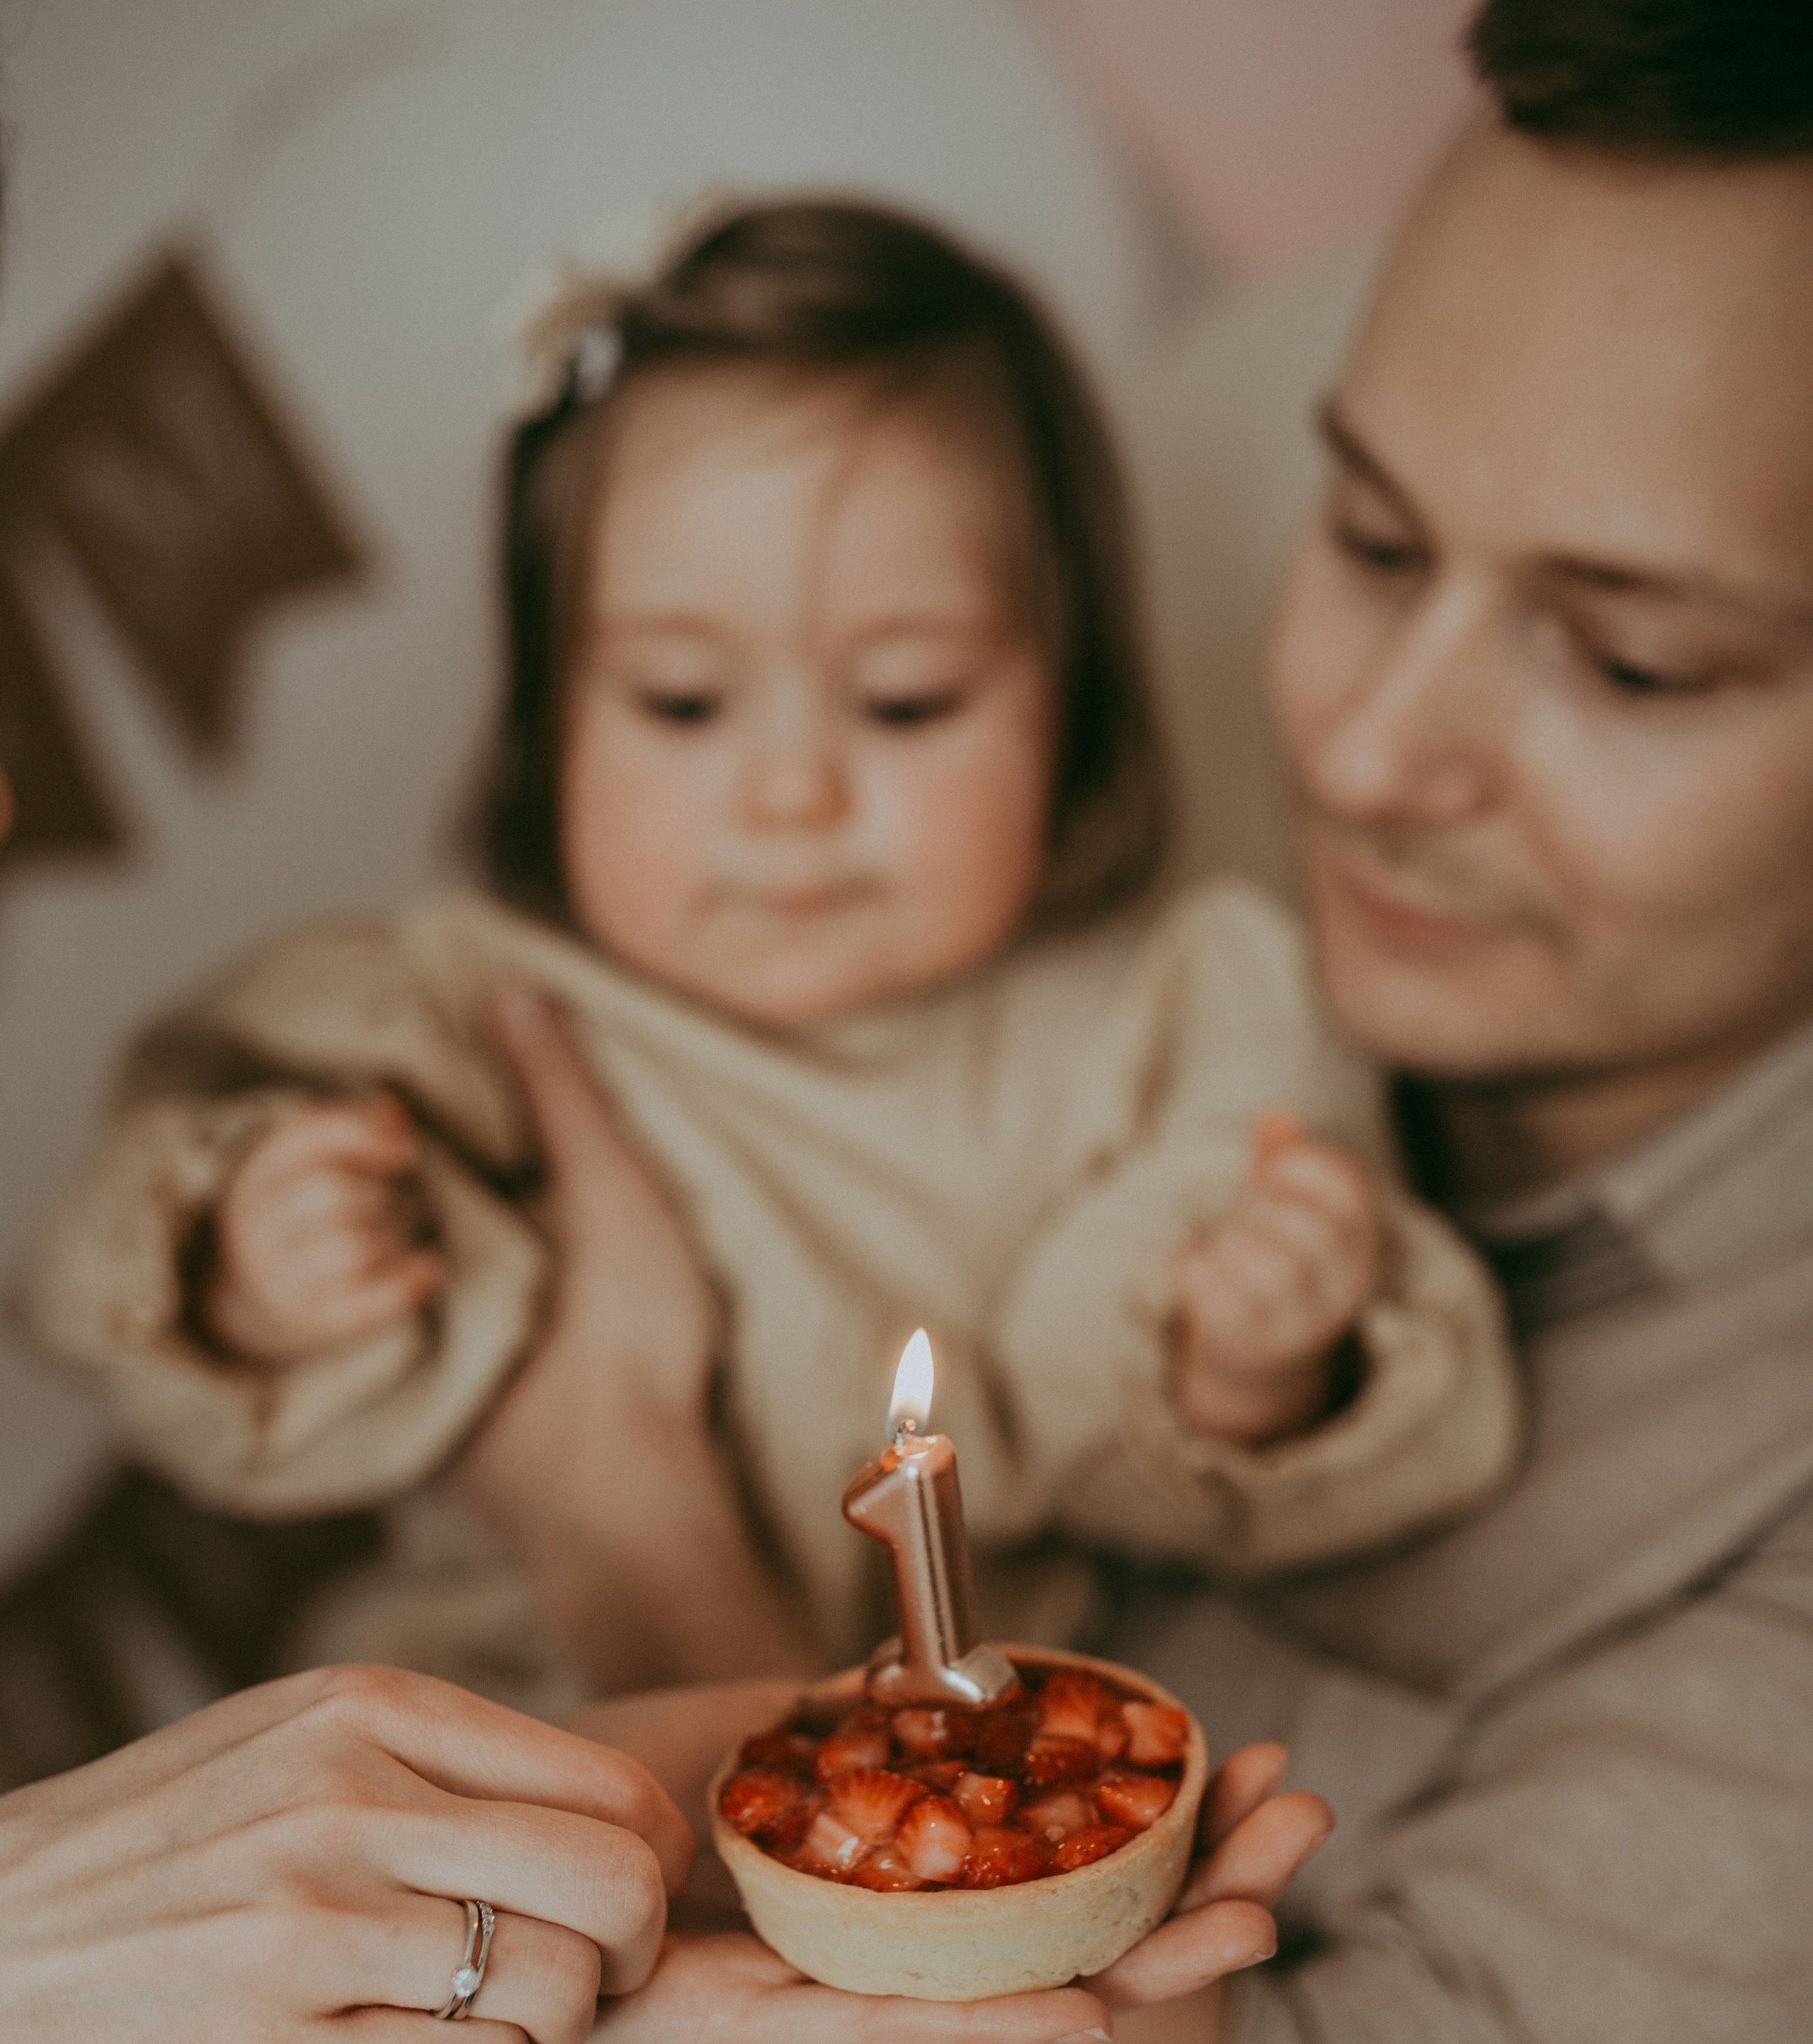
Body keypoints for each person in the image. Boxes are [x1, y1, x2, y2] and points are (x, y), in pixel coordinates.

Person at [414, 5, 1813, 2044]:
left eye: (1634, 667)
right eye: (1374, 538)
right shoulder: (1178, 1013)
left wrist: (620, 1518)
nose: (1371, 753)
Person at [16, 195, 1516, 1727]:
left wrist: (1242, 1367)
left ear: (1067, 718)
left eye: (905, 701)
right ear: (552, 718)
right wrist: (255, 1271)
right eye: (679, 703)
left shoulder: (1168, 1012)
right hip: (491, 1731)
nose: (788, 794)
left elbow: (1156, 1453)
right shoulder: (473, 1013)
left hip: (947, 1778)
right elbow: (124, 1258)